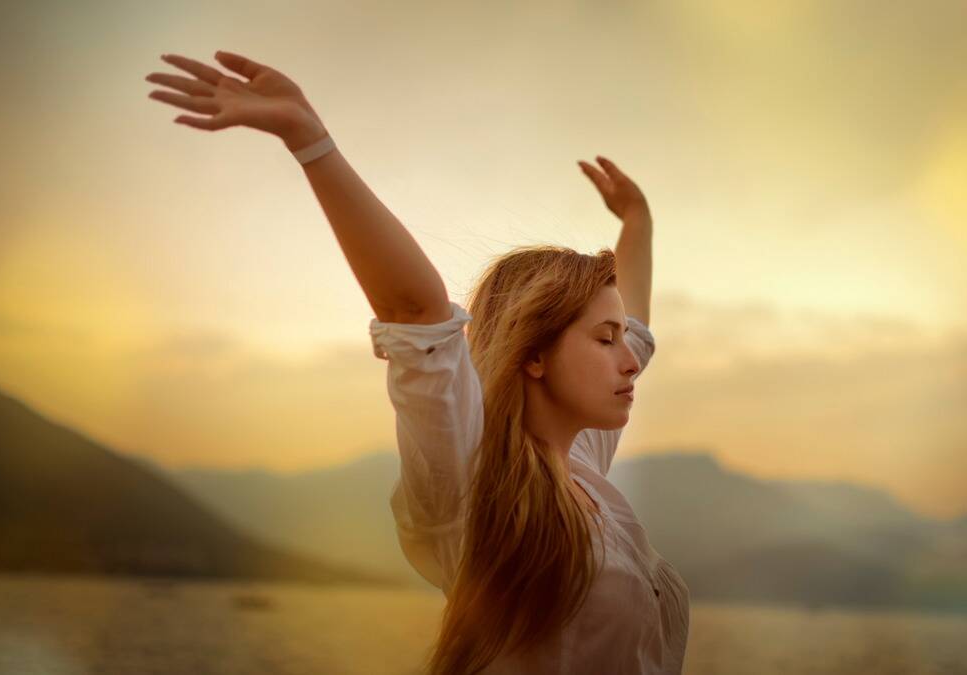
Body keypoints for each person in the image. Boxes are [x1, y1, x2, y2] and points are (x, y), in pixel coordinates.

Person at [145, 51, 690, 674]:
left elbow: (638, 328)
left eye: (623, 339)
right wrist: (310, 141)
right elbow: (416, 310)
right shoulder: (474, 474)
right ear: (533, 356)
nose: (632, 361)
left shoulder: (580, 466)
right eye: (605, 340)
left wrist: (637, 222)